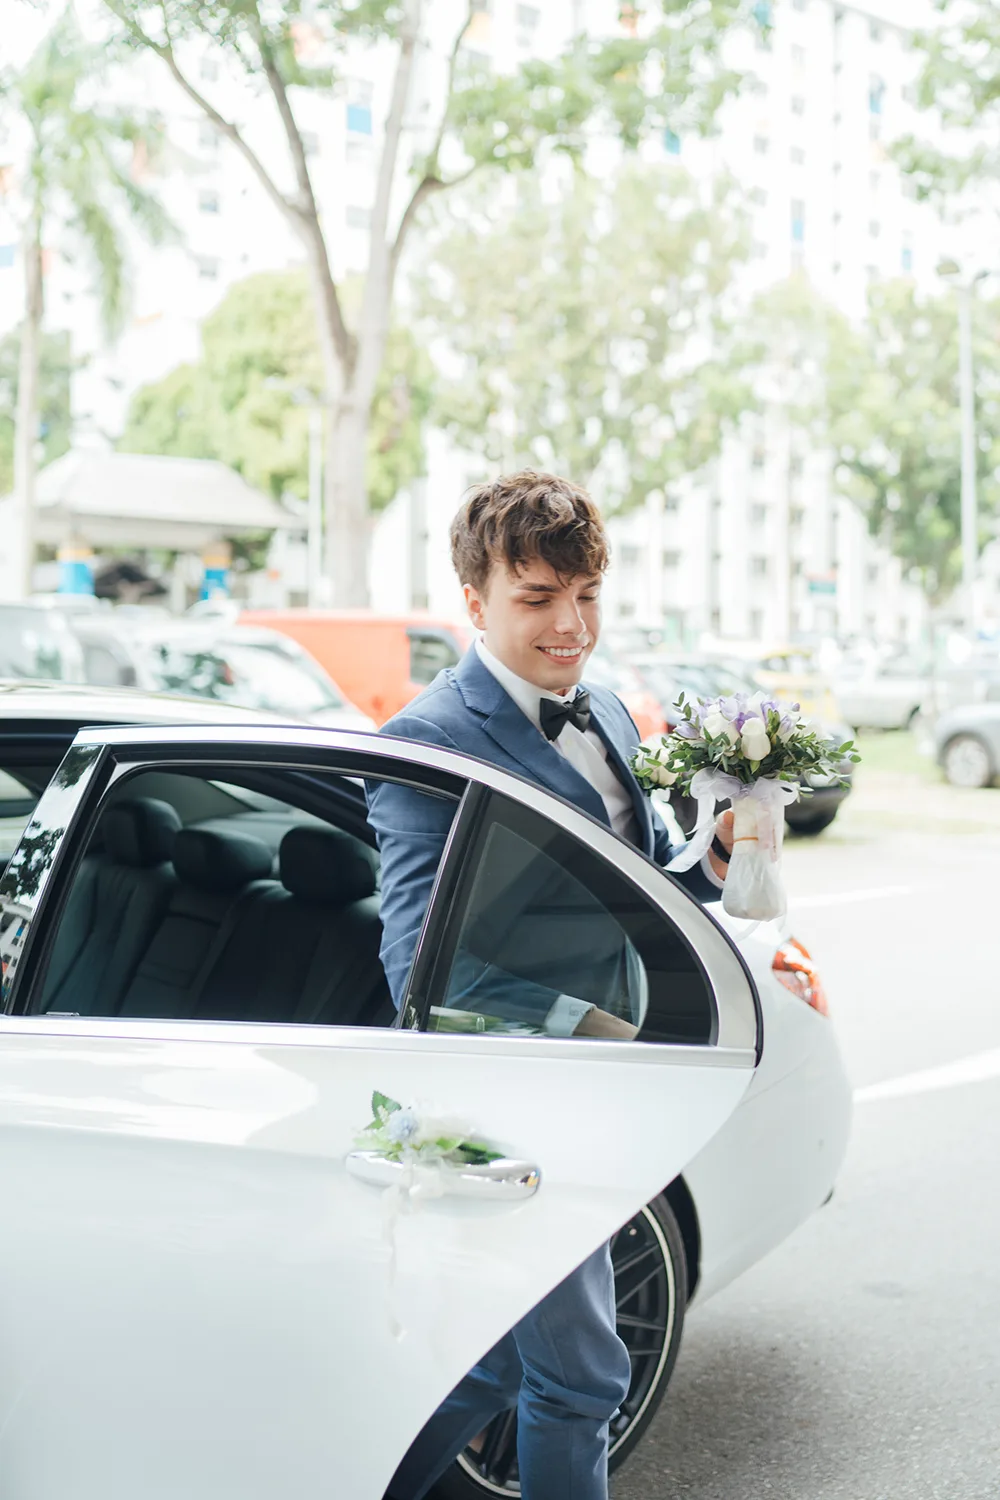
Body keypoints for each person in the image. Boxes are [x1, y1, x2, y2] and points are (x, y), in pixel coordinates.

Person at [366, 470, 733, 1500]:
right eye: (537, 600)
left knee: (495, 1354)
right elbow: (414, 969)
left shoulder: (608, 711)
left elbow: (645, 887)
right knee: (579, 1372)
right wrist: (588, 1024)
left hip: (616, 1091)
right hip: (504, 1098)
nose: (571, 625)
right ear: (475, 602)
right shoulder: (428, 741)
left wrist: (716, 859)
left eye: (587, 595)